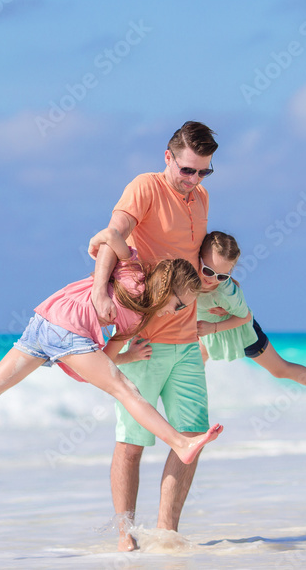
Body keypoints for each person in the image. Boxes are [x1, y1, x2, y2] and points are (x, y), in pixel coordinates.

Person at [0, 239, 224, 465]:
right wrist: (100, 288)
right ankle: (180, 443)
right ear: (166, 288)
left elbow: (98, 366)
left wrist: (126, 357)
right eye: (177, 303)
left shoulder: (135, 322)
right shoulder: (133, 273)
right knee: (126, 390)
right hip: (68, 329)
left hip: (47, 320)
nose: (176, 311)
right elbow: (110, 238)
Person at [87, 121, 217, 552]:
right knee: (132, 443)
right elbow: (114, 236)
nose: (194, 180)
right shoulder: (144, 187)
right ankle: (125, 535)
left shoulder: (200, 199)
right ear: (168, 158)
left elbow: (191, 265)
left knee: (191, 439)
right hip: (143, 340)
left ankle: (166, 533)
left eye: (203, 172)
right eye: (187, 170)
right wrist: (99, 291)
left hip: (187, 340)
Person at [195, 230, 306, 426]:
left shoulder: (226, 292)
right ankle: (194, 412)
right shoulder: (189, 275)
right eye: (208, 271)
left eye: (222, 276)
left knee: (280, 370)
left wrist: (214, 327)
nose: (212, 279)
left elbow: (245, 317)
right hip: (211, 331)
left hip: (241, 333)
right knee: (198, 360)